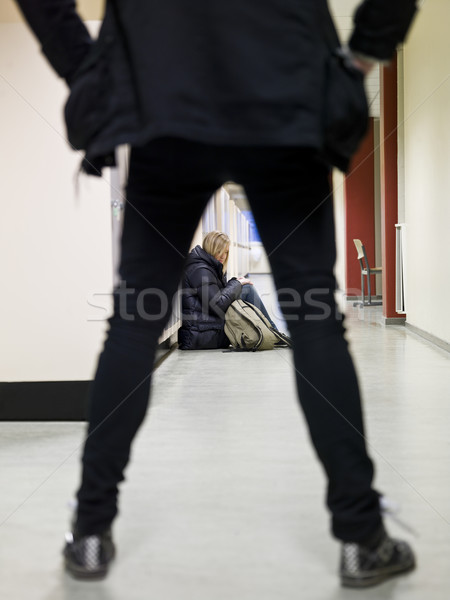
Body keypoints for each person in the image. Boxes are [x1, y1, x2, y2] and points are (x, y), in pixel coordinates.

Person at [15, 0, 418, 587]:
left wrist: (86, 69)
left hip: (163, 99)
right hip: (284, 93)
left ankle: (91, 535)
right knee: (316, 322)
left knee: (133, 321)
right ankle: (361, 538)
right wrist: (360, 56)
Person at [179, 230, 279, 350]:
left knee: (245, 287)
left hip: (206, 329)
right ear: (211, 248)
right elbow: (218, 304)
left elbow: (217, 295)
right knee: (247, 289)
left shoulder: (206, 266)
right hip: (202, 334)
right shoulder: (200, 270)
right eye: (220, 251)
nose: (223, 256)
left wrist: (235, 282)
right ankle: (273, 333)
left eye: (226, 252)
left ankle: (271, 332)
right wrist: (236, 284)